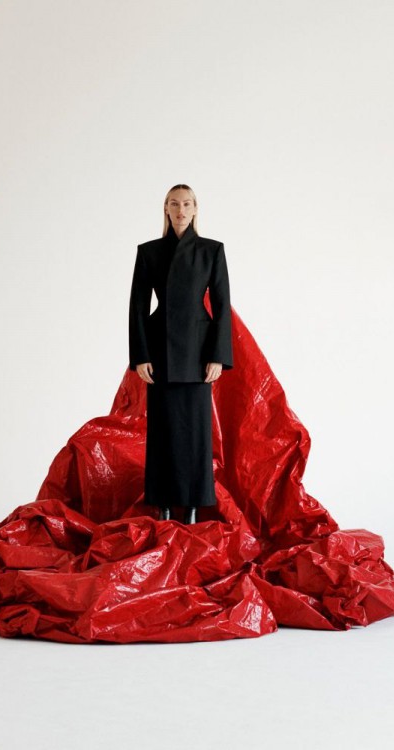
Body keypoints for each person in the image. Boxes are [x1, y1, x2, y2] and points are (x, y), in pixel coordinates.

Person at [128, 184, 233, 524]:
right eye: (174, 204)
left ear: (195, 208)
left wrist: (218, 356)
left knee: (196, 433)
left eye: (187, 204)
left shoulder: (211, 250)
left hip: (198, 355)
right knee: (163, 432)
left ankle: (192, 505)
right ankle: (163, 504)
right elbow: (138, 307)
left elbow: (222, 307)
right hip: (160, 354)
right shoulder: (149, 252)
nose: (181, 210)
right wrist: (141, 355)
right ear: (166, 209)